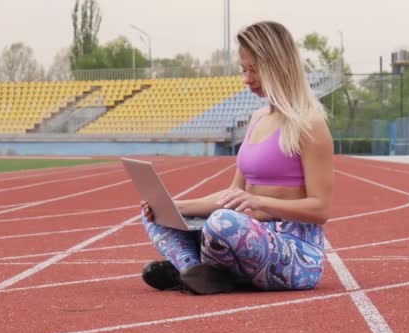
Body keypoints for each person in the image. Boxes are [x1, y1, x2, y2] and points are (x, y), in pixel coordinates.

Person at [140, 21, 333, 295]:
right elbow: (233, 194)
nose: (247, 79)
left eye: (255, 69)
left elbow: (321, 209)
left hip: (295, 253)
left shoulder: (309, 123)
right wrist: (176, 207)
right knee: (155, 214)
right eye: (244, 69)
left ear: (278, 65)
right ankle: (194, 270)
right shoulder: (256, 119)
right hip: (246, 234)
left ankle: (194, 270)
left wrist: (259, 202)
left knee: (223, 222)